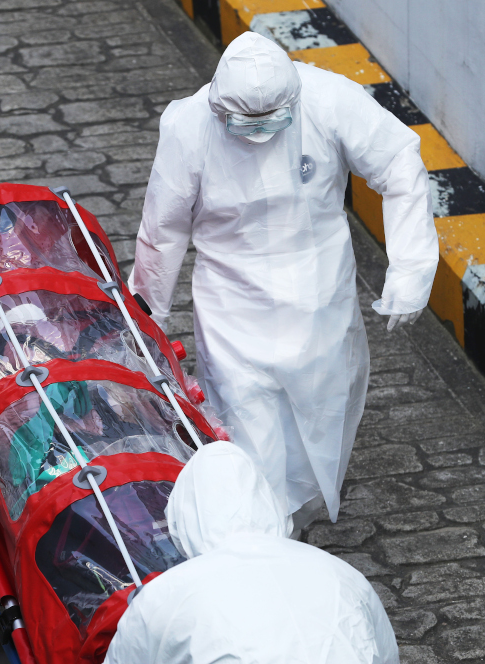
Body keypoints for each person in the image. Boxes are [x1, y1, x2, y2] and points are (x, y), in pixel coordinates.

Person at [128, 32, 439, 533]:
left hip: (319, 296)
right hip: (234, 307)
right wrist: (146, 314)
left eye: (268, 119)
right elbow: (162, 231)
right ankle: (266, 535)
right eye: (242, 122)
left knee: (322, 415)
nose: (257, 133)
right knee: (248, 427)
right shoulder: (188, 127)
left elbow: (399, 162)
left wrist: (411, 269)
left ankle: (298, 515)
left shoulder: (331, 99)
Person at [105, 441, 399, 664]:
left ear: (182, 520)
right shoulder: (342, 573)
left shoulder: (161, 597)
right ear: (269, 503)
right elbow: (386, 655)